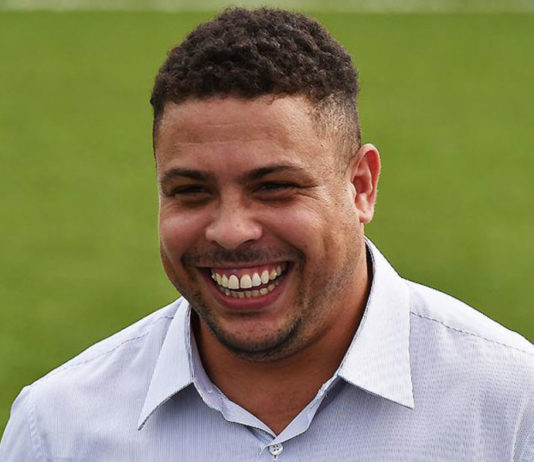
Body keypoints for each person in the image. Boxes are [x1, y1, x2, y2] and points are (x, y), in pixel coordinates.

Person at [1, 7, 533, 461]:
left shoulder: (514, 408)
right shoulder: (57, 431)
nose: (231, 231)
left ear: (361, 186)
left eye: (275, 187)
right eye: (191, 192)